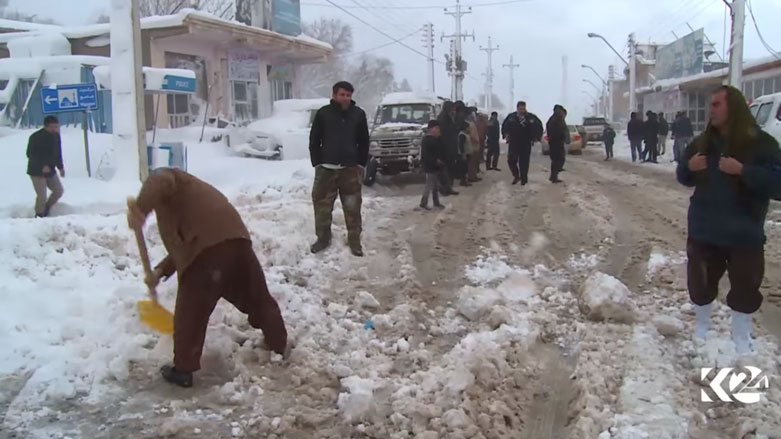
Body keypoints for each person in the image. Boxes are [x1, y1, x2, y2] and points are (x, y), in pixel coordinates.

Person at [126, 168, 288, 388]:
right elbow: (183, 247)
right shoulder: (191, 197)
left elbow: (160, 179)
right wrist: (160, 272)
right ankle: (278, 344)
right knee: (257, 297)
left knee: (190, 312)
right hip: (236, 240)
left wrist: (141, 209)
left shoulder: (168, 178)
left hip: (207, 253)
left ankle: (183, 369)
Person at [676, 85, 781, 354]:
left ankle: (742, 335)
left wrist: (744, 170)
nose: (711, 109)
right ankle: (701, 328)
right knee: (699, 282)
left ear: (732, 107)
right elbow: (682, 175)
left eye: (716, 104)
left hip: (744, 232)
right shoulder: (702, 144)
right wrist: (689, 167)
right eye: (710, 104)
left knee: (746, 285)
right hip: (705, 228)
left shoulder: (763, 144)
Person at [309, 81, 370, 257]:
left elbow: (364, 141)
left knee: (352, 207)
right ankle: (322, 239)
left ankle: (354, 241)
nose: (345, 98)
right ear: (334, 95)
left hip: (349, 170)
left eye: (348, 95)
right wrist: (317, 163)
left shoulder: (358, 114)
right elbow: (314, 140)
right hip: (326, 169)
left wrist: (360, 163)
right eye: (342, 94)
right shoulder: (323, 114)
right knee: (322, 206)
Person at [27, 115, 64, 218]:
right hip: (36, 171)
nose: (55, 129)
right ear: (46, 126)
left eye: (56, 127)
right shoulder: (36, 137)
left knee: (58, 190)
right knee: (42, 195)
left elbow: (57, 153)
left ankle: (46, 208)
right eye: (52, 127)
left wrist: (60, 167)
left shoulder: (56, 136)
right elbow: (30, 154)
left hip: (50, 170)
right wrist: (42, 166)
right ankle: (39, 214)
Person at [502, 101, 543, 185]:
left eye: (523, 109)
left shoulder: (531, 117)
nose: (522, 110)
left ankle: (524, 179)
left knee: (524, 162)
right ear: (517, 108)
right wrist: (505, 134)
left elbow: (539, 127)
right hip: (514, 142)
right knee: (511, 160)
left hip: (526, 142)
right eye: (520, 109)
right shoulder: (511, 117)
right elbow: (504, 126)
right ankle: (516, 175)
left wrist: (536, 137)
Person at [420, 120, 447, 210]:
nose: (438, 130)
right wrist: (435, 161)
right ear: (430, 129)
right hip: (430, 165)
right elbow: (427, 155)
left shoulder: (436, 139)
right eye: (436, 128)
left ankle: (436, 202)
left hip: (435, 165)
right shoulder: (427, 140)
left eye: (438, 128)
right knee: (429, 184)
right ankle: (423, 202)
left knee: (435, 185)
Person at [436, 101, 459, 196]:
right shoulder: (443, 119)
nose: (454, 110)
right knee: (445, 169)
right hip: (445, 148)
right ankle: (444, 188)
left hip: (450, 147)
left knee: (450, 168)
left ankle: (448, 187)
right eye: (452, 108)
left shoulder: (447, 117)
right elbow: (445, 135)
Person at [546, 104, 568, 183]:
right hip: (556, 141)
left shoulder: (553, 119)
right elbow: (561, 130)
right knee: (558, 158)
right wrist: (562, 137)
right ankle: (554, 176)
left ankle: (553, 175)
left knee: (556, 159)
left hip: (554, 141)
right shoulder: (558, 119)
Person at [465, 107, 481, 183]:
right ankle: (471, 176)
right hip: (472, 145)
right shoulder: (469, 124)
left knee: (474, 162)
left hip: (475, 145)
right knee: (472, 162)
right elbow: (471, 135)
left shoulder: (472, 123)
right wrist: (475, 140)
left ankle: (474, 175)